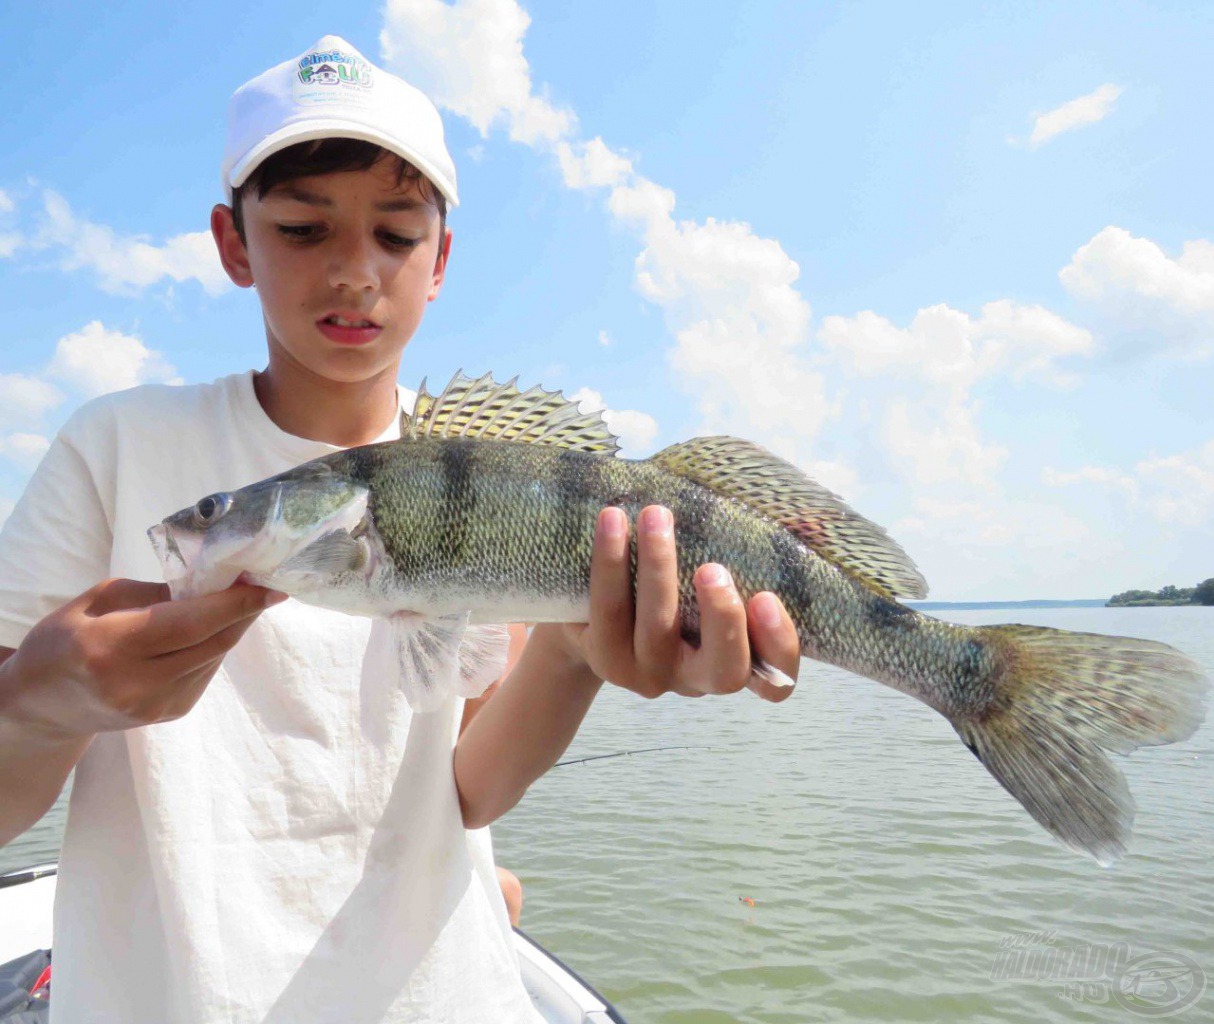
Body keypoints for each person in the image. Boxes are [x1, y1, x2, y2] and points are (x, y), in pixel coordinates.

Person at [0, 34, 799, 1023]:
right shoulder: (113, 448)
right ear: (232, 242)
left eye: (394, 233)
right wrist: (38, 703)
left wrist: (577, 656)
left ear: (441, 259)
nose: (352, 272)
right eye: (301, 228)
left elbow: (464, 789)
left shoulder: (486, 475)